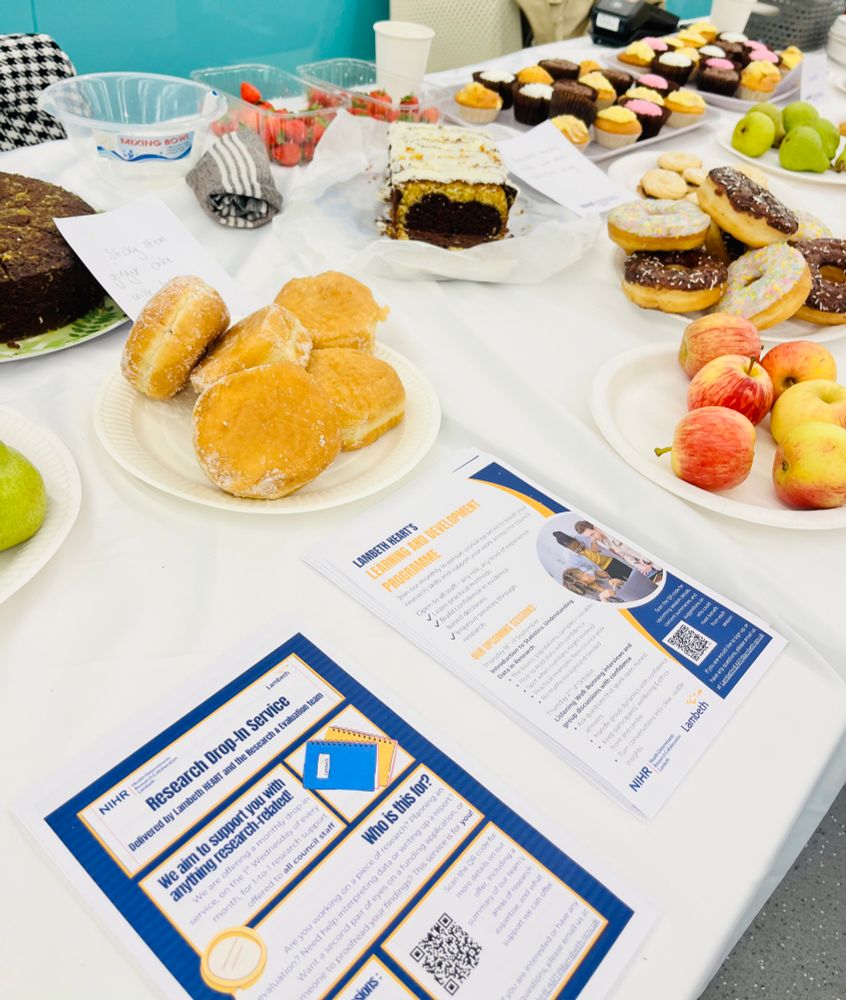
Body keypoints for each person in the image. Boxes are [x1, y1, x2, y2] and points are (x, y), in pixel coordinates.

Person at [573, 520, 660, 579]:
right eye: (588, 537)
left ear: (596, 528)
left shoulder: (613, 531)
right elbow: (624, 555)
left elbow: (641, 543)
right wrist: (638, 565)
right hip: (646, 564)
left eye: (592, 534)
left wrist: (645, 562)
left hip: (653, 556)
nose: (592, 539)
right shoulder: (602, 541)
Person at [552, 530, 632, 584]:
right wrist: (595, 572)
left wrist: (594, 542)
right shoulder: (570, 558)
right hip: (605, 570)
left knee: (631, 573)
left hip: (612, 559)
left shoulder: (581, 537)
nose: (578, 547)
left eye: (577, 544)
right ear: (568, 548)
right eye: (574, 548)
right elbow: (582, 569)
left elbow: (596, 538)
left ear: (574, 539)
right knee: (624, 582)